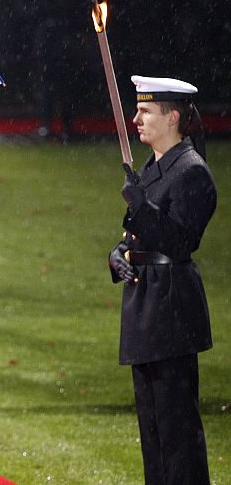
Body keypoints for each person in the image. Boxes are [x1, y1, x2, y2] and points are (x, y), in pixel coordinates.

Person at [108, 75, 215, 484]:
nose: (136, 118)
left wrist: (140, 205)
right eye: (136, 109)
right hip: (146, 305)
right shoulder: (155, 167)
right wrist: (120, 254)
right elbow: (139, 236)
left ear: (172, 116)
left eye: (146, 111)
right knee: (152, 431)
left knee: (178, 433)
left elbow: (180, 241)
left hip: (171, 308)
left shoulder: (191, 172)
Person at [33, 0, 80, 140]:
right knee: (53, 88)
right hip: (54, 45)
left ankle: (59, 126)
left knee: (58, 88)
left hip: (57, 45)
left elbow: (38, 13)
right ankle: (54, 125)